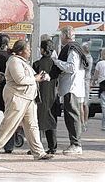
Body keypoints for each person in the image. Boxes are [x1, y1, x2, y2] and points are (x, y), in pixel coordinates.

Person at [0, 39, 53, 160]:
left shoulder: (23, 62)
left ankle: (39, 153)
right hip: (17, 97)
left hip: (28, 98)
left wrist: (41, 77)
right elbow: (20, 79)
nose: (30, 51)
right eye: (28, 49)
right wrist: (36, 79)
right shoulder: (14, 61)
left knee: (32, 125)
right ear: (21, 51)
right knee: (9, 123)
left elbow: (30, 77)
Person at [50, 26, 88, 155]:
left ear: (66, 36)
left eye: (61, 35)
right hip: (73, 87)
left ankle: (76, 144)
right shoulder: (76, 48)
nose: (61, 38)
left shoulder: (72, 49)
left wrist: (56, 61)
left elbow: (71, 67)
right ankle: (75, 143)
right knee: (71, 116)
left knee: (72, 117)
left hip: (71, 88)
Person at [33, 39, 57, 154]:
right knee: (50, 120)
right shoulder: (55, 64)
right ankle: (52, 146)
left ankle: (38, 146)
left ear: (42, 50)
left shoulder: (37, 64)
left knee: (37, 121)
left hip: (40, 96)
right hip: (52, 95)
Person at [80, 42, 93, 132]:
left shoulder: (85, 58)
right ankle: (85, 121)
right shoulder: (90, 58)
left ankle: (82, 123)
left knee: (82, 103)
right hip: (86, 80)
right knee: (85, 104)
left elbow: (84, 68)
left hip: (83, 81)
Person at [92, 48, 105, 131]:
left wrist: (93, 82)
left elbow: (96, 75)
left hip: (103, 84)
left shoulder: (100, 63)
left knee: (104, 106)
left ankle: (104, 125)